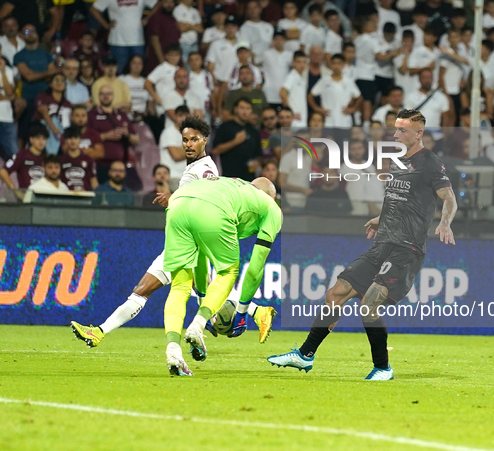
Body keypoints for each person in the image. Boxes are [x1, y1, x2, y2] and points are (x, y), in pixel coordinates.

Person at [268, 109, 457, 380]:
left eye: (402, 130)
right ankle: (305, 355)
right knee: (335, 294)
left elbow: (449, 198)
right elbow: (401, 200)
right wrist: (380, 219)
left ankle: (383, 368)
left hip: (407, 249)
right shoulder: (397, 162)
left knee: (369, 305)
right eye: (396, 129)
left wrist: (446, 222)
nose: (395, 134)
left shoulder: (430, 162)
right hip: (382, 244)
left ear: (419, 133)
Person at [71, 116, 275, 350]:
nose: (188, 144)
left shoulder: (203, 169)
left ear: (204, 141)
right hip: (193, 236)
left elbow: (199, 198)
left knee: (145, 290)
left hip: (188, 240)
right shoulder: (201, 167)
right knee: (203, 289)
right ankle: (251, 314)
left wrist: (174, 197)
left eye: (194, 140)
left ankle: (100, 332)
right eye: (185, 140)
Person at [162, 176, 282, 375]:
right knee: (228, 271)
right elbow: (254, 269)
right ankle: (197, 326)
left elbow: (200, 258)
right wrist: (241, 314)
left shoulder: (233, 189)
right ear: (272, 197)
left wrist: (203, 302)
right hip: (212, 208)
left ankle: (173, 350)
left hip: (178, 202)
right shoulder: (271, 207)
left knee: (179, 286)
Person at [88, 85, 139, 185]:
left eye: (108, 94)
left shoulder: (121, 115)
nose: (106, 96)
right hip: (100, 164)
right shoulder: (91, 115)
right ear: (98, 96)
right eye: (103, 94)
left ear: (113, 96)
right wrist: (105, 136)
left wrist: (127, 134)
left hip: (119, 164)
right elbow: (85, 139)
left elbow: (136, 140)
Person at [90, 0, 158, 74]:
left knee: (139, 72)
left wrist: (148, 18)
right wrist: (106, 25)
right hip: (117, 41)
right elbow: (94, 9)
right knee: (120, 71)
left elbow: (159, 3)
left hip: (137, 40)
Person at [308, 53, 361, 128]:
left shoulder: (348, 81)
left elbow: (359, 97)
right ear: (331, 65)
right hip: (328, 121)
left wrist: (352, 109)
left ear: (343, 65)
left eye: (339, 63)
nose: (336, 66)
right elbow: (310, 96)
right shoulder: (324, 80)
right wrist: (317, 109)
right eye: (334, 63)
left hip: (344, 122)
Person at [214, 98, 262, 181]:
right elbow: (215, 150)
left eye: (248, 109)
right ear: (236, 109)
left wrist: (257, 163)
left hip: (249, 178)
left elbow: (258, 154)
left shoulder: (253, 130)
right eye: (242, 108)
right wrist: (235, 142)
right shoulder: (225, 127)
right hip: (229, 178)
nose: (245, 112)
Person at [0, 123, 49, 195]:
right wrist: (15, 191)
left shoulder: (47, 158)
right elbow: (3, 171)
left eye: (44, 139)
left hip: (43, 197)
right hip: (26, 198)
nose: (41, 142)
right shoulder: (22, 155)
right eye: (38, 138)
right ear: (31, 139)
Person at [0, 41, 17, 164]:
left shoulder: (7, 70)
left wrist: (2, 72)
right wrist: (5, 97)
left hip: (7, 117)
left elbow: (10, 91)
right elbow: (8, 95)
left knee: (14, 153)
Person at [34, 74, 73, 154]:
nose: (59, 83)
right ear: (50, 84)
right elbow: (44, 112)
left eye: (62, 81)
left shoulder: (67, 103)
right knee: (54, 120)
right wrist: (54, 128)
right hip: (47, 130)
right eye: (56, 80)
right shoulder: (43, 96)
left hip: (63, 131)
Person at [145, 0, 181, 74]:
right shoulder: (156, 18)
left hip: (173, 59)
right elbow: (154, 40)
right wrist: (162, 61)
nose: (169, 5)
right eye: (166, 2)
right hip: (158, 61)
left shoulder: (173, 19)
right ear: (161, 3)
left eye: (171, 2)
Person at [59, 126, 98, 191]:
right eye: (70, 138)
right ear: (65, 141)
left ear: (80, 140)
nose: (73, 141)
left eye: (75, 138)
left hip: (85, 197)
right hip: (65, 197)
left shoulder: (89, 160)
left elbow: (94, 181)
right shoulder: (60, 160)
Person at [159, 105, 190, 179]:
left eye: (186, 116)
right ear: (175, 117)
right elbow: (176, 155)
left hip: (188, 176)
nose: (183, 118)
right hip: (172, 176)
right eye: (180, 116)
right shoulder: (169, 132)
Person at [280, 50, 309, 128]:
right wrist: (290, 114)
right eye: (299, 62)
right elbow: (282, 93)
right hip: (295, 119)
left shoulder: (301, 78)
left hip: (301, 117)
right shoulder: (292, 76)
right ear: (293, 63)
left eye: (304, 62)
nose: (302, 65)